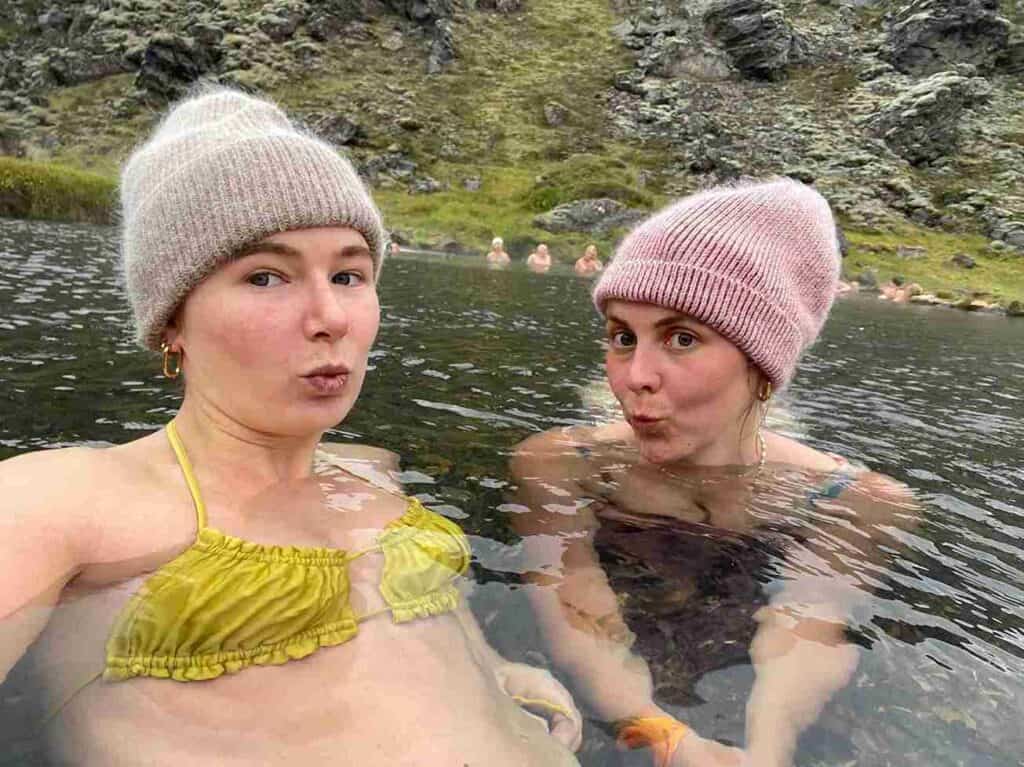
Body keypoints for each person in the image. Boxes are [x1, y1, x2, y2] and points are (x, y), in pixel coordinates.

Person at [0, 86, 582, 766]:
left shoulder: (370, 472)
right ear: (171, 322)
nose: (329, 315)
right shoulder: (60, 502)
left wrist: (493, 677)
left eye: (349, 273)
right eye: (267, 277)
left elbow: (400, 640)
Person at [510, 179, 917, 767]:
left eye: (682, 337)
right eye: (622, 337)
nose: (634, 377)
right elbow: (574, 598)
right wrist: (661, 732)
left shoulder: (855, 502)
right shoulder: (558, 463)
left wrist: (765, 753)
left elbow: (808, 628)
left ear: (764, 364)